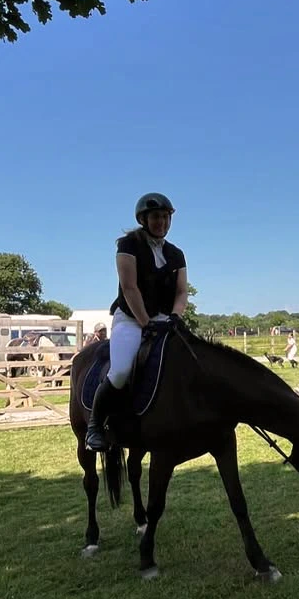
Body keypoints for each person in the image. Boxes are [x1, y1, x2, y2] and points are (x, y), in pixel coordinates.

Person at [85, 193, 188, 452]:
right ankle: (95, 426)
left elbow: (181, 292)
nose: (161, 222)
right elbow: (130, 288)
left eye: (165, 217)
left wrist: (175, 317)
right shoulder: (129, 244)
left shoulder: (176, 254)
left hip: (165, 320)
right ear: (144, 219)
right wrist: (145, 322)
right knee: (120, 371)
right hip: (131, 318)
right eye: (156, 217)